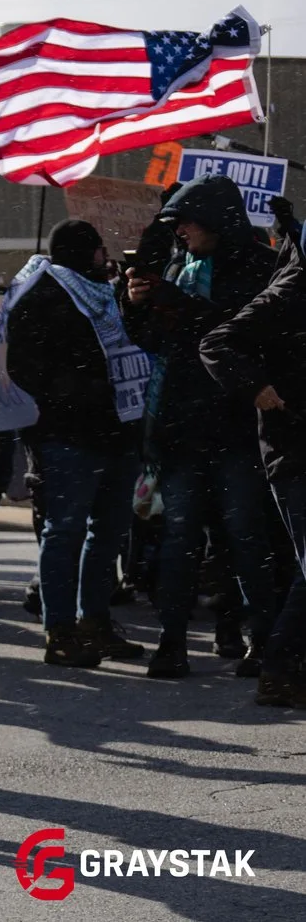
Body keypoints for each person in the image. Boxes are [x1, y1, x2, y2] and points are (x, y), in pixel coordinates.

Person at [124, 176, 282, 674]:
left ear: (217, 220)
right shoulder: (179, 264)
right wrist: (136, 303)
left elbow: (229, 331)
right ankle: (171, 643)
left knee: (246, 536)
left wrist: (173, 302)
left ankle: (264, 641)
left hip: (237, 426)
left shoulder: (259, 265)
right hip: (179, 426)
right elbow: (158, 341)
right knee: (180, 537)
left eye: (188, 220)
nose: (182, 230)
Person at [6, 219, 150, 667]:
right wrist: (76, 398)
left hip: (118, 430)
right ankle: (61, 630)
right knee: (65, 532)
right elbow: (23, 369)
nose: (105, 258)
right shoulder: (40, 294)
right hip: (67, 436)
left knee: (107, 534)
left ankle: (95, 623)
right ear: (87, 252)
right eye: (99, 250)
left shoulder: (107, 293)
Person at [199, 237, 306, 707]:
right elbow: (217, 343)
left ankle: (283, 668)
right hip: (295, 450)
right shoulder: (292, 288)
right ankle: (279, 667)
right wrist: (258, 387)